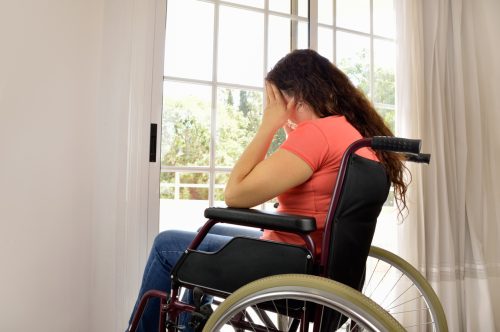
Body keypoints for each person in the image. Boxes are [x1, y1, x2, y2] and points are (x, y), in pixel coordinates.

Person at [127, 49, 408, 331]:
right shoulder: (347, 132)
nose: (270, 107)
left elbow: (235, 194)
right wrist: (291, 134)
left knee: (166, 245)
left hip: (289, 260)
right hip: (317, 258)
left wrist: (268, 126)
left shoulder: (317, 135)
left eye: (272, 99)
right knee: (201, 242)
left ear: (292, 96)